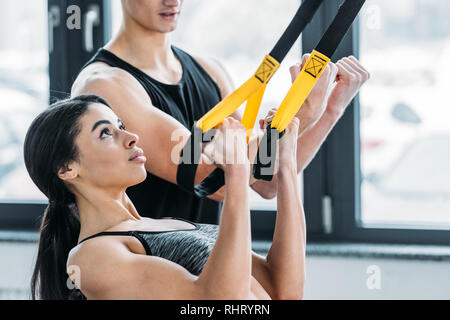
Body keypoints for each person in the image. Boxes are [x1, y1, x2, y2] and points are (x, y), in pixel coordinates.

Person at [71, 0, 370, 224]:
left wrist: (331, 110)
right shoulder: (106, 85)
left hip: (204, 277)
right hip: (141, 281)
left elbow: (265, 179)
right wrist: (301, 114)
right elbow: (214, 183)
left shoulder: (211, 72)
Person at [25, 95, 305, 300]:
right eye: (106, 133)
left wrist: (287, 165)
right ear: (66, 168)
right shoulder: (92, 257)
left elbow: (283, 290)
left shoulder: (167, 225)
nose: (131, 136)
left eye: (121, 124)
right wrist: (236, 173)